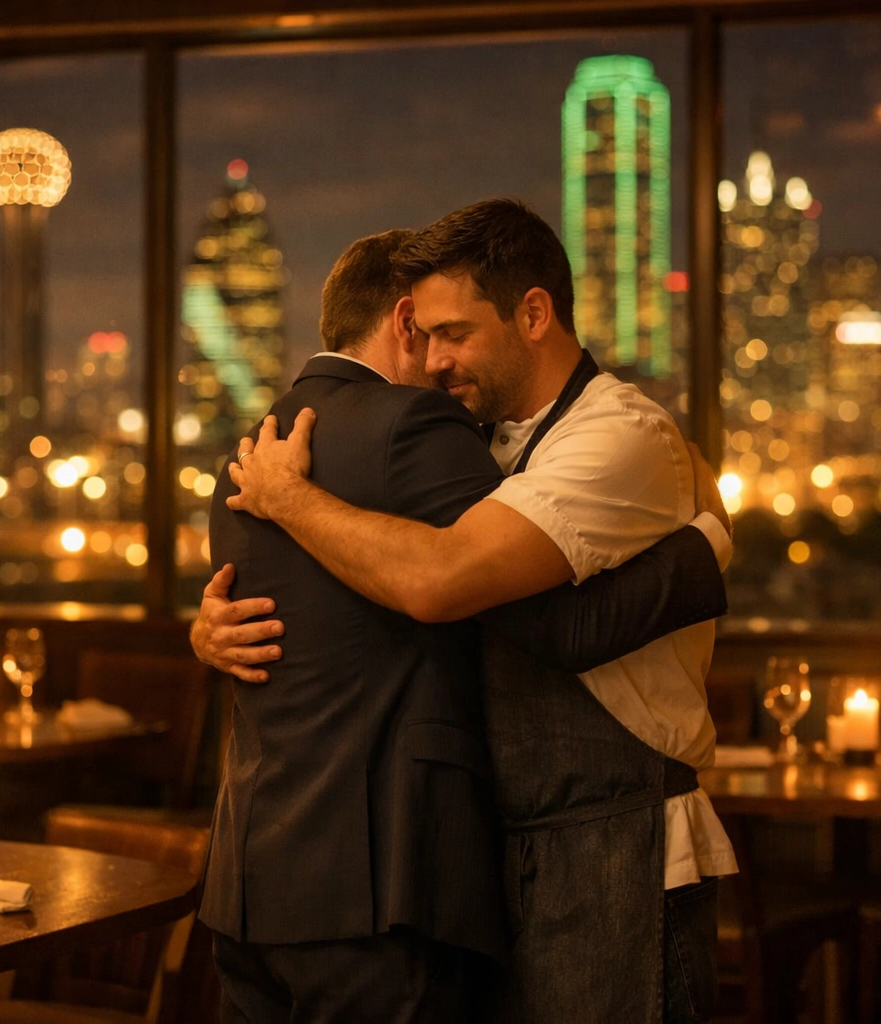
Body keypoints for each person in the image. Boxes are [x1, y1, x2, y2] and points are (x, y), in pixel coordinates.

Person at [218, 199, 738, 1024]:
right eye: (421, 334)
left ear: (534, 313)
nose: (430, 359)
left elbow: (444, 580)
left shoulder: (616, 434)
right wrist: (211, 629)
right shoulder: (484, 442)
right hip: (507, 850)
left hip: (617, 842)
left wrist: (289, 497)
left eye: (454, 333)